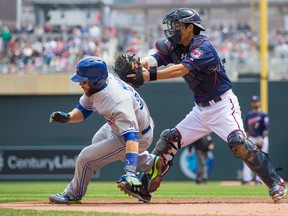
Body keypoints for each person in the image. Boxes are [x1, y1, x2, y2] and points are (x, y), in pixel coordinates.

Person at [126, 8, 286, 202]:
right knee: (169, 139)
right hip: (200, 110)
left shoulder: (204, 46)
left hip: (223, 106)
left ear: (190, 27)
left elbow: (182, 69)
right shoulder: (175, 46)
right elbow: (156, 59)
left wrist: (148, 76)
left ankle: (275, 182)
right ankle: (144, 186)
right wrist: (136, 65)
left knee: (239, 143)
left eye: (177, 25)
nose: (173, 29)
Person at [48, 55, 163, 204]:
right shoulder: (98, 84)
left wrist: (130, 171)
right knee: (97, 141)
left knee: (85, 158)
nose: (80, 84)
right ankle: (150, 163)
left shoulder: (116, 100)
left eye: (83, 80)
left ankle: (73, 194)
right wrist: (68, 117)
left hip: (138, 135)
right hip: (121, 126)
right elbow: (83, 109)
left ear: (95, 79)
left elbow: (131, 137)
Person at [242, 95, 270, 185]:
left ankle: (260, 180)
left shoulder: (263, 115)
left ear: (259, 102)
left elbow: (266, 128)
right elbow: (246, 128)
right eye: (253, 102)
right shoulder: (249, 115)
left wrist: (262, 138)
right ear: (251, 103)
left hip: (261, 137)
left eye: (256, 101)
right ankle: (247, 179)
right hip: (251, 137)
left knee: (261, 160)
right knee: (246, 158)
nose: (255, 103)